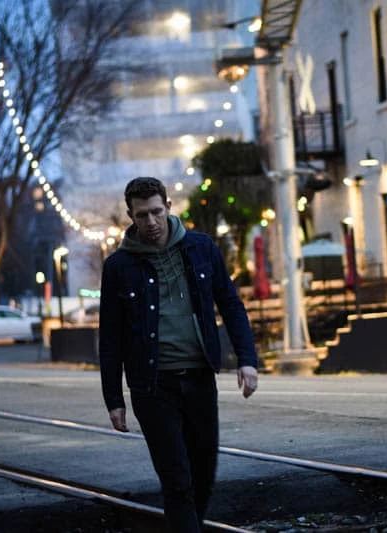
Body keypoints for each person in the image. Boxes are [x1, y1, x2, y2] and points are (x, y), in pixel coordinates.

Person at [99, 176, 258, 532]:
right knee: (177, 480)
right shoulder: (119, 267)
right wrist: (114, 398)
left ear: (169, 208)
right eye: (142, 215)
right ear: (131, 216)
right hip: (153, 388)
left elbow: (231, 305)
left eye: (157, 212)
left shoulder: (201, 248)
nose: (151, 222)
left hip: (200, 378)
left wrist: (247, 359)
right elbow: (109, 336)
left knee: (203, 475)